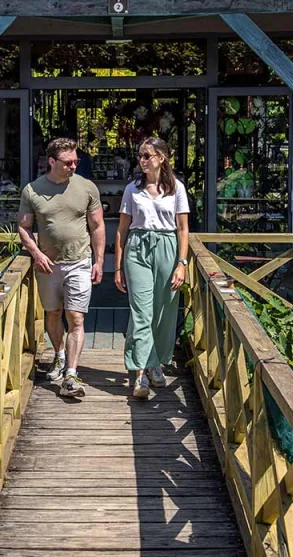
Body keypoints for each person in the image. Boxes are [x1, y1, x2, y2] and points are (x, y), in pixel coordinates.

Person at [18, 137, 105, 398]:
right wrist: (35, 252)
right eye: (68, 162)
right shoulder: (32, 190)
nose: (73, 166)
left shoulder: (87, 187)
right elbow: (24, 227)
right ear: (52, 161)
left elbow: (97, 226)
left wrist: (99, 261)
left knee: (76, 317)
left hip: (79, 261)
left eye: (76, 161)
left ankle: (71, 373)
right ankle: (59, 355)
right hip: (48, 265)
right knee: (53, 314)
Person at [114, 137, 189, 398]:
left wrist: (182, 263)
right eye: (140, 156)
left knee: (165, 310)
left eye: (147, 155)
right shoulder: (132, 189)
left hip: (167, 247)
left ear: (162, 157)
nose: (142, 160)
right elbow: (122, 230)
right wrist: (118, 267)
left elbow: (182, 229)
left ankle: (156, 362)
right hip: (138, 247)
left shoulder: (176, 188)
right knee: (142, 311)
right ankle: (140, 374)